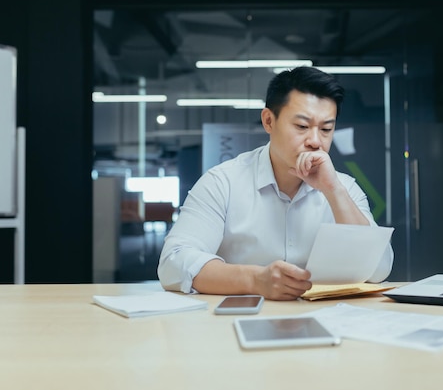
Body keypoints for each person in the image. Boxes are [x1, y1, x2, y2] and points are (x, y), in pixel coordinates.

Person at [157, 66, 393, 300]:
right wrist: (254, 280)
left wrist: (334, 191)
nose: (315, 141)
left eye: (326, 129)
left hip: (325, 319)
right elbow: (173, 263)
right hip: (236, 322)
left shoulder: (344, 187)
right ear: (268, 121)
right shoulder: (222, 183)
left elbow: (379, 269)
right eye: (302, 127)